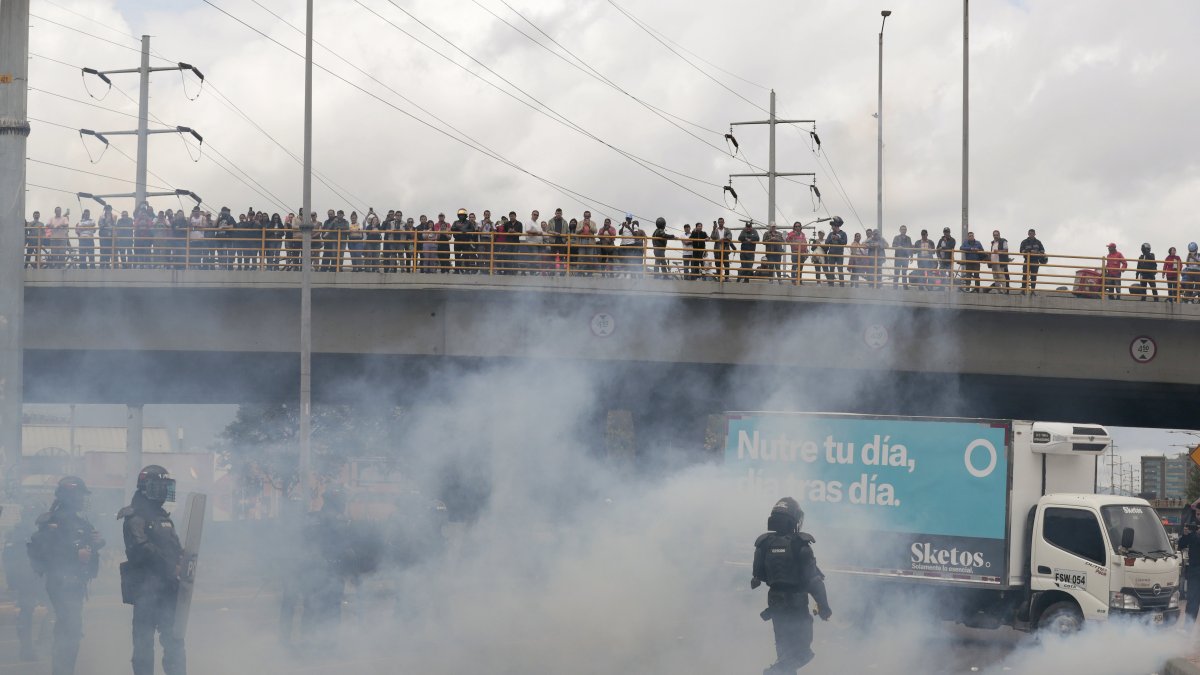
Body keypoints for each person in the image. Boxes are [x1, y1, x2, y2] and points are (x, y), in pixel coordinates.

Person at [28, 477, 104, 675]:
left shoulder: (81, 522)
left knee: (72, 629)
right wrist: (75, 554)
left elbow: (88, 547)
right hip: (60, 583)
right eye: (79, 495)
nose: (82, 499)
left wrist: (96, 543)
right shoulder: (52, 521)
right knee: (67, 629)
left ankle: (65, 669)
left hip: (76, 584)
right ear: (71, 496)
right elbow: (46, 549)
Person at [119, 465, 186, 675]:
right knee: (144, 646)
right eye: (159, 486)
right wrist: (171, 565)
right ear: (145, 487)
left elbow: (174, 547)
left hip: (168, 589)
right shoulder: (135, 516)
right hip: (145, 591)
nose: (163, 491)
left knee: (175, 642)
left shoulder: (163, 517)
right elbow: (141, 549)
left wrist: (184, 560)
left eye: (166, 486)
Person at [751, 498, 831, 673]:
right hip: (796, 604)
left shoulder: (763, 543)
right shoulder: (800, 544)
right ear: (793, 519)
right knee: (802, 653)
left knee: (785, 653)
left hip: (775, 604)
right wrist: (824, 607)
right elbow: (813, 581)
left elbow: (759, 575)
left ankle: (778, 671)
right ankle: (772, 672)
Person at [299, 486, 354, 650]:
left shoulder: (314, 518)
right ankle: (323, 644)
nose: (343, 504)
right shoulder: (335, 521)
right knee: (326, 607)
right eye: (341, 501)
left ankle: (315, 643)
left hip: (323, 570)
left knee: (318, 606)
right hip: (324, 570)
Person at [4, 502, 45, 661]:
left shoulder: (16, 533)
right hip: (32, 578)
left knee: (27, 612)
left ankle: (31, 646)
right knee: (33, 611)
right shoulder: (32, 533)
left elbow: (8, 558)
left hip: (29, 578)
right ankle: (32, 647)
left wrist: (12, 581)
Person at [1178, 516, 1200, 621]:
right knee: (1192, 600)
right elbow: (1181, 545)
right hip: (1194, 571)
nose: (1198, 516)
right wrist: (1185, 534)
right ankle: (1188, 626)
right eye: (1198, 514)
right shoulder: (1193, 531)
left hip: (1195, 570)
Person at [1018, 228, 1046, 293]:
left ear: (1035, 234)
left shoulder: (1038, 242)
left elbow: (1043, 251)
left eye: (1032, 233)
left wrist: (1037, 252)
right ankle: (1023, 290)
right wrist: (1030, 251)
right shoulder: (1024, 242)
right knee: (1025, 275)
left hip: (1035, 261)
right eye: (1030, 233)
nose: (1031, 235)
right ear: (1028, 234)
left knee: (1034, 276)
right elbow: (1021, 251)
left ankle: (1032, 291)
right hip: (1027, 260)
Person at [823, 217, 847, 285]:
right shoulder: (830, 234)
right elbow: (826, 242)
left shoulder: (843, 233)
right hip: (831, 254)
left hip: (839, 254)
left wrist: (838, 238)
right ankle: (831, 284)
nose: (832, 227)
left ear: (836, 225)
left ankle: (842, 285)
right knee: (831, 269)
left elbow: (845, 242)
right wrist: (831, 238)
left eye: (833, 225)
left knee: (840, 269)